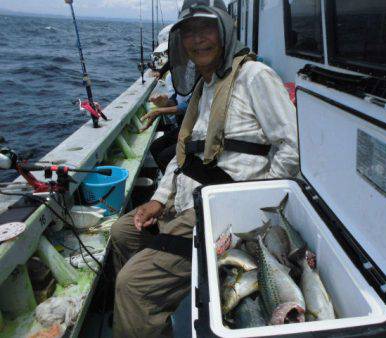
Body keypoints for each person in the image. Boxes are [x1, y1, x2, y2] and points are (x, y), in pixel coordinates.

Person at [111, 0, 299, 337]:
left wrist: (251, 202)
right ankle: (149, 320)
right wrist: (159, 199)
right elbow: (184, 157)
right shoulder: (205, 85)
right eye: (190, 32)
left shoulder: (255, 76)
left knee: (132, 285)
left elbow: (292, 148)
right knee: (123, 232)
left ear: (225, 32)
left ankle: (141, 303)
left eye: (207, 29)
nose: (198, 40)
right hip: (185, 202)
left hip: (220, 211)